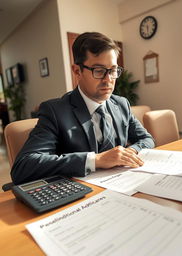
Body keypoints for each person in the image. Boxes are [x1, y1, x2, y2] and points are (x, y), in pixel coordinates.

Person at [11, 32, 155, 185]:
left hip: (124, 185)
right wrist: (96, 160)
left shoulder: (121, 104)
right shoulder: (55, 111)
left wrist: (128, 153)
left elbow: (146, 139)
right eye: (99, 70)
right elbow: (23, 166)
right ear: (77, 71)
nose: (108, 80)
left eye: (113, 70)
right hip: (82, 195)